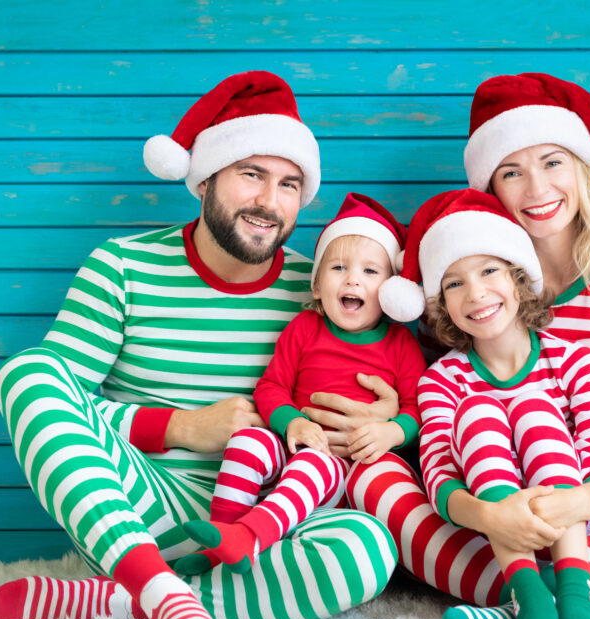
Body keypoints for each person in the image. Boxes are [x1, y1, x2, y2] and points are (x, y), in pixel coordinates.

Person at [0, 71, 398, 619]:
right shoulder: (120, 267)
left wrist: (385, 420)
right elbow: (59, 398)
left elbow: (402, 393)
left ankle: (135, 601)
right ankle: (156, 583)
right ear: (204, 178)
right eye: (250, 174)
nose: (270, 201)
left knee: (368, 549)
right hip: (136, 507)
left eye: (289, 184)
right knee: (25, 373)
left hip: (266, 520)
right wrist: (179, 427)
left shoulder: (324, 290)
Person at [350, 72, 590, 619]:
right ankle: (563, 602)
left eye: (552, 162)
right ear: (491, 188)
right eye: (512, 172)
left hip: (589, 491)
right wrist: (402, 415)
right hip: (484, 507)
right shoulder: (466, 282)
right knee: (370, 477)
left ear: (584, 168)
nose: (536, 186)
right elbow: (436, 407)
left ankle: (544, 600)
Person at [399, 189, 590, 619]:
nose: (475, 293)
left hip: (575, 527)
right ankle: (534, 603)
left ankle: (575, 601)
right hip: (487, 539)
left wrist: (578, 501)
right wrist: (490, 517)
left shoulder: (579, 362)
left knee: (534, 409)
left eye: (489, 271)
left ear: (520, 280)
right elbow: (438, 474)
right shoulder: (441, 380)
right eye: (453, 285)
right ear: (440, 306)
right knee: (480, 412)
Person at [175, 193, 426, 573]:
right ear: (316, 286)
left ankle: (250, 537)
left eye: (371, 272)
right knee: (247, 439)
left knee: (312, 462)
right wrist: (293, 422)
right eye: (339, 268)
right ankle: (220, 539)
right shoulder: (304, 328)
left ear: (391, 293)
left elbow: (416, 408)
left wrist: (392, 433)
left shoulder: (400, 344)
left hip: (342, 469)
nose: (353, 279)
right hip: (291, 447)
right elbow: (270, 388)